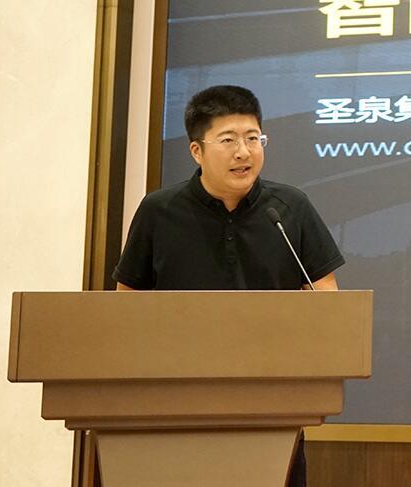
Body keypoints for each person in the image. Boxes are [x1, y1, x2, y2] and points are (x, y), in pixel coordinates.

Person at [112, 85, 345, 486]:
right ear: (196, 151)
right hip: (176, 403)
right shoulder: (159, 212)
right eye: (228, 140)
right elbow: (125, 308)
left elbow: (328, 301)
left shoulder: (290, 208)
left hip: (272, 403)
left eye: (253, 138)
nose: (244, 152)